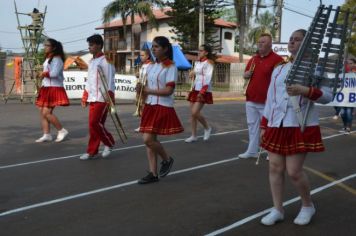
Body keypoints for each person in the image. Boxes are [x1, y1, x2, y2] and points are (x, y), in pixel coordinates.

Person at [259, 29, 333, 226]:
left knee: (294, 171)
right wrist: (265, 124)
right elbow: (270, 99)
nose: (291, 42)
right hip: (277, 124)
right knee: (274, 167)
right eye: (291, 39)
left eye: (297, 39)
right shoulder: (279, 69)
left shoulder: (317, 69)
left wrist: (306, 90)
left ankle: (308, 205)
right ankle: (277, 209)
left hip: (300, 124)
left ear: (308, 44)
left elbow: (328, 96)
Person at [137, 36, 184, 184]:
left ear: (165, 49)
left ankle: (167, 159)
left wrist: (148, 90)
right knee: (150, 141)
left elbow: (169, 90)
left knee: (148, 139)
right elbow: (145, 87)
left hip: (162, 105)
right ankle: (153, 173)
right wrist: (140, 92)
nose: (154, 49)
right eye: (153, 47)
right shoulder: (151, 66)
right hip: (150, 105)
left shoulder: (171, 66)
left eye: (157, 47)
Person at [238, 33, 284, 158]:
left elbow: (280, 81)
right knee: (252, 126)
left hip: (268, 101)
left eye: (263, 42)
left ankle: (271, 151)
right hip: (251, 98)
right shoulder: (253, 59)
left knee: (270, 127)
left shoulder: (278, 60)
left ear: (270, 44)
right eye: (259, 42)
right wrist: (246, 74)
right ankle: (252, 151)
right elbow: (246, 74)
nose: (260, 44)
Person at [80, 34, 116, 160]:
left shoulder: (107, 60)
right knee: (93, 125)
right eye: (89, 45)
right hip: (93, 97)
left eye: (91, 45)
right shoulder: (92, 61)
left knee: (95, 123)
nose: (89, 47)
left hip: (103, 97)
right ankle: (92, 151)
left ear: (99, 45)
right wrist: (85, 96)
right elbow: (89, 81)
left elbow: (110, 80)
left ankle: (109, 142)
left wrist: (110, 98)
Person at [35, 38, 69, 143]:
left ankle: (61, 130)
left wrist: (43, 74)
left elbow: (54, 74)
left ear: (53, 47)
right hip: (46, 87)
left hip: (54, 88)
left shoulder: (57, 59)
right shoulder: (48, 58)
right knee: (42, 111)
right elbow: (48, 72)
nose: (44, 47)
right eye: (44, 45)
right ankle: (47, 134)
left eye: (47, 45)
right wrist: (40, 74)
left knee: (46, 112)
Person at [185, 45, 214, 143]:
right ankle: (193, 135)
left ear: (206, 52)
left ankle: (207, 127)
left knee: (195, 112)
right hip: (195, 88)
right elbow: (197, 76)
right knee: (192, 114)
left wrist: (202, 92)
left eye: (201, 51)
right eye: (199, 50)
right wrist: (192, 74)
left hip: (203, 90)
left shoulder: (209, 63)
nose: (199, 52)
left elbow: (207, 78)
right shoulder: (197, 62)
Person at [134, 49, 153, 132]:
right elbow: (141, 76)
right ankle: (142, 125)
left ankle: (147, 125)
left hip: (147, 88)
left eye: (142, 55)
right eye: (140, 55)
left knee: (145, 107)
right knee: (141, 107)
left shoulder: (151, 65)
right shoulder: (142, 65)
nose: (141, 57)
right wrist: (138, 75)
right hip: (141, 87)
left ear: (147, 56)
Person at [338, 58, 355, 134]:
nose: (349, 65)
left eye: (351, 63)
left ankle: (348, 128)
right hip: (343, 96)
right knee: (342, 113)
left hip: (351, 97)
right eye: (348, 63)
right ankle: (345, 126)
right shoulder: (343, 73)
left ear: (354, 64)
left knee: (348, 112)